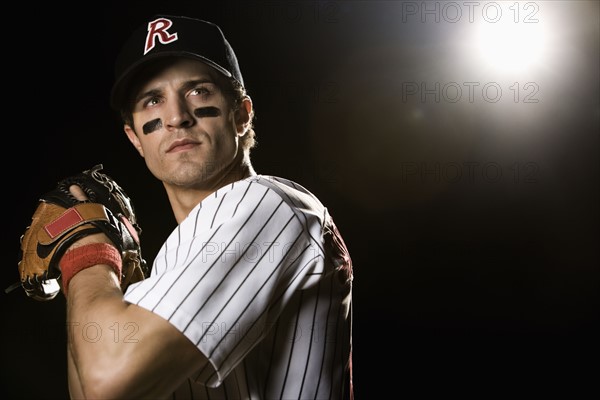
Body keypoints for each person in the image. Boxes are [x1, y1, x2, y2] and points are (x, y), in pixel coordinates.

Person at [64, 14, 353, 399]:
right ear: (135, 139)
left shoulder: (267, 205)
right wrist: (110, 280)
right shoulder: (174, 263)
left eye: (198, 91)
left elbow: (107, 381)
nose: (176, 117)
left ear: (241, 114)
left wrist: (86, 252)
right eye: (152, 100)